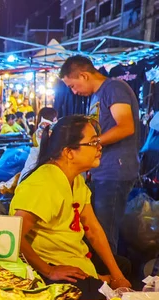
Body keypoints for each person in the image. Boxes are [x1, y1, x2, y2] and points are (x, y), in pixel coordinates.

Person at [10, 115, 132, 300]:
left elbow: (93, 230)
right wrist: (49, 270)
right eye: (92, 143)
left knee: (123, 266)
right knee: (102, 295)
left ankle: (101, 279)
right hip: (50, 266)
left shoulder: (75, 179)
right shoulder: (44, 183)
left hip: (74, 257)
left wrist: (118, 277)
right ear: (69, 152)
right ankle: (98, 282)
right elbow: (13, 232)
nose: (99, 147)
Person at [60, 55, 140, 254]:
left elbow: (126, 126)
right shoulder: (98, 95)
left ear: (84, 75)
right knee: (98, 228)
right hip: (101, 170)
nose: (74, 92)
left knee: (105, 230)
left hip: (115, 169)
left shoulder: (114, 89)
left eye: (72, 85)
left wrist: (92, 143)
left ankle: (113, 279)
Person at [19, 107, 58, 182]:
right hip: (37, 166)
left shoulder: (40, 131)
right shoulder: (44, 132)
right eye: (55, 119)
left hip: (32, 164)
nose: (57, 121)